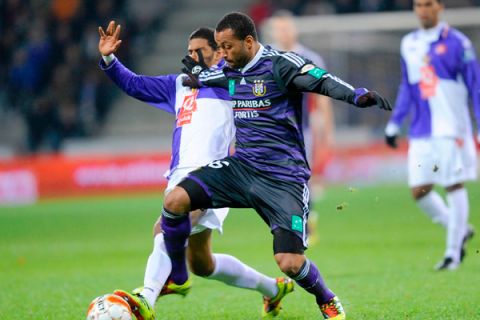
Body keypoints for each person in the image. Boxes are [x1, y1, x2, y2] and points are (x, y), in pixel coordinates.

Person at [160, 12, 391, 320]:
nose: (223, 54)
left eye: (227, 47)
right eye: (219, 47)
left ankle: (325, 296)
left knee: (290, 263)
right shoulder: (231, 69)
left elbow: (321, 80)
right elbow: (212, 78)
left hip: (283, 178)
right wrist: (196, 77)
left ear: (249, 41)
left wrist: (355, 95)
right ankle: (178, 276)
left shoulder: (282, 64)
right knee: (175, 200)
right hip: (241, 169)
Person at [98, 21, 294, 320]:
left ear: (218, 53)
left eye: (198, 51)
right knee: (202, 264)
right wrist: (110, 60)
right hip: (179, 175)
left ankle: (146, 300)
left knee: (165, 227)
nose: (191, 56)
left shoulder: (232, 84)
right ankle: (273, 289)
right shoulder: (177, 85)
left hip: (211, 175)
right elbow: (135, 84)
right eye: (188, 51)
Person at [384, 0, 478, 271]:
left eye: (428, 4)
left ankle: (452, 254)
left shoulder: (458, 42)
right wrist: (395, 123)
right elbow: (408, 86)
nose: (422, 10)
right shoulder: (409, 43)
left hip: (451, 127)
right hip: (422, 129)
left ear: (439, 7)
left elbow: (475, 85)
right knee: (419, 190)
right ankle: (459, 229)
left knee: (453, 184)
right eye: (418, 5)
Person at [269, 10, 335, 246]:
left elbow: (324, 98)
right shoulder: (267, 56)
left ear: (294, 29)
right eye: (279, 29)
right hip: (272, 131)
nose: (283, 33)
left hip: (301, 131)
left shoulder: (310, 58)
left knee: (299, 179)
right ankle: (293, 222)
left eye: (286, 28)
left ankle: (304, 223)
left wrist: (327, 132)